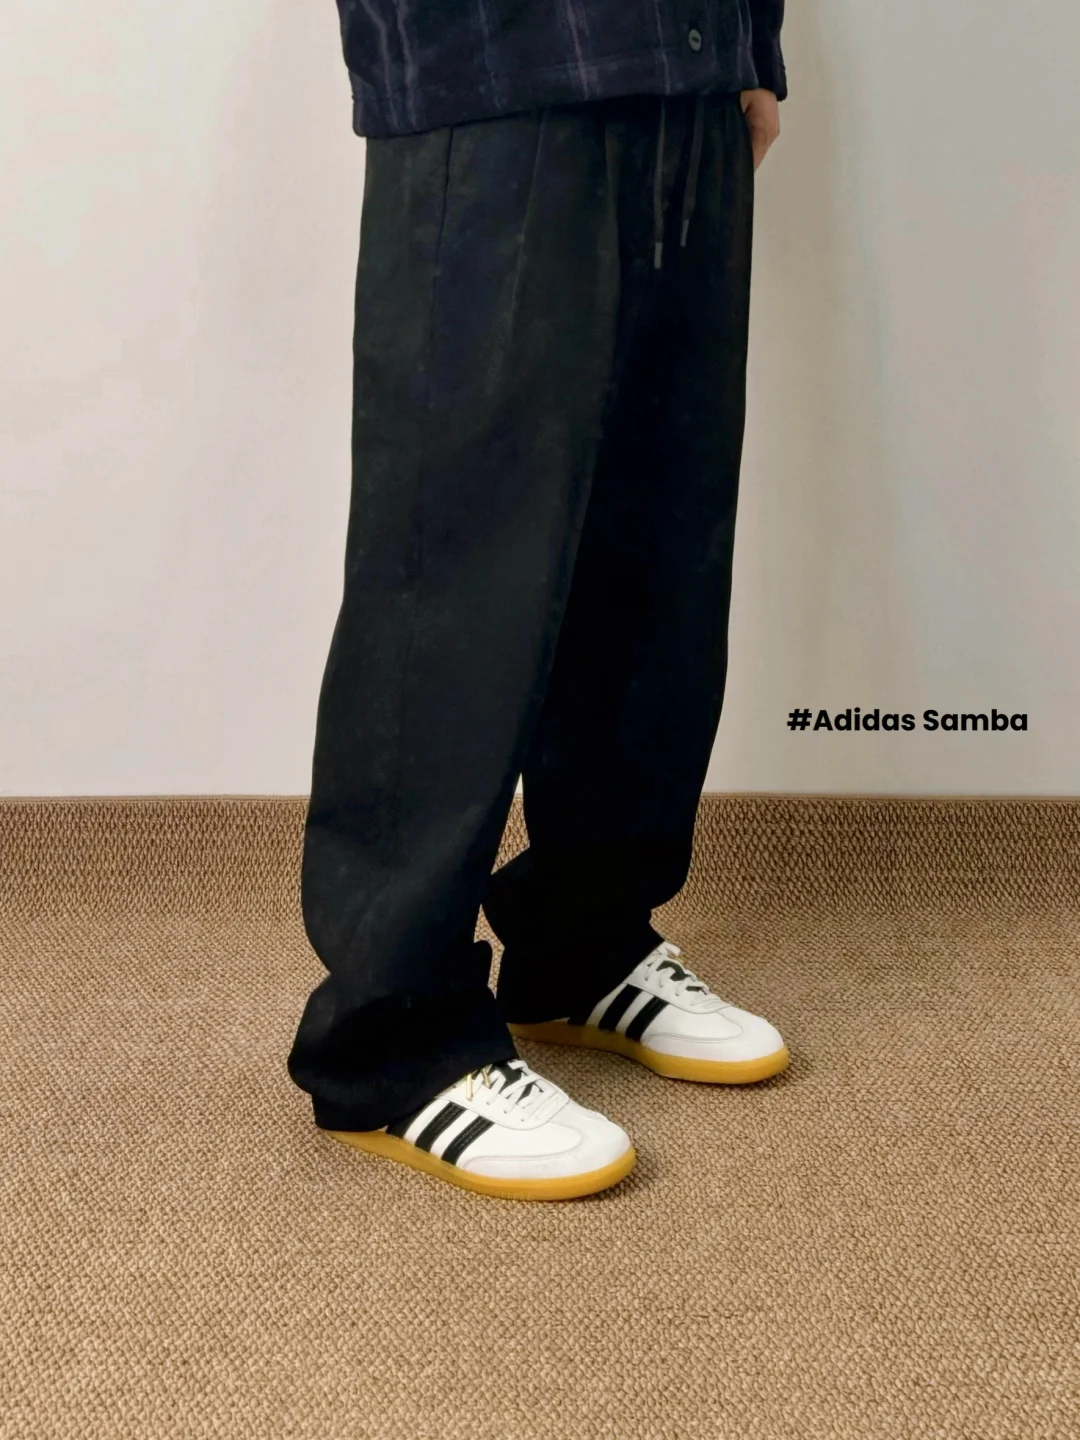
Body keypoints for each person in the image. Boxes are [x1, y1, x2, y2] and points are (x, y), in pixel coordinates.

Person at [287, 0, 791, 1202]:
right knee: (455, 551)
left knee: (659, 535)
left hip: (689, 69)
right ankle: (391, 1036)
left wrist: (751, 44)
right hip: (493, 63)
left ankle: (583, 941)